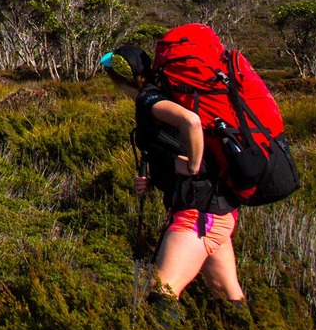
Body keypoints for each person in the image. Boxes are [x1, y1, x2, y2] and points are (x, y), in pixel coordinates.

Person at [100, 43, 246, 303]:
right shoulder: (160, 94)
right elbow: (174, 144)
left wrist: (192, 166)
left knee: (162, 290)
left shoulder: (150, 100)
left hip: (199, 212)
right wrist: (156, 178)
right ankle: (251, 329)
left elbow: (191, 121)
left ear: (119, 77)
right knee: (226, 295)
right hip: (215, 207)